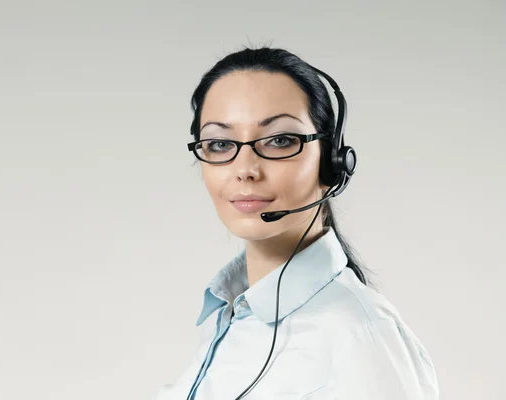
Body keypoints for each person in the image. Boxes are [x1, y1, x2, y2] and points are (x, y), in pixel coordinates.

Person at [153, 47, 439, 400]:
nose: (245, 169)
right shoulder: (227, 316)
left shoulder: (359, 334)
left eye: (280, 140)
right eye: (220, 143)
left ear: (332, 163)